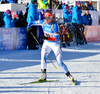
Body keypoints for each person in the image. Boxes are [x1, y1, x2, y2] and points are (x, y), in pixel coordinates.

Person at [39, 11, 74, 82]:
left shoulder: (55, 25)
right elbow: (32, 22)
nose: (46, 20)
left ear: (51, 18)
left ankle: (68, 74)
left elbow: (55, 38)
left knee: (59, 62)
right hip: (47, 44)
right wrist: (28, 27)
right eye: (45, 18)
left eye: (48, 18)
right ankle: (44, 75)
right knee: (43, 56)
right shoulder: (43, 22)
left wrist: (46, 38)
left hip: (55, 44)